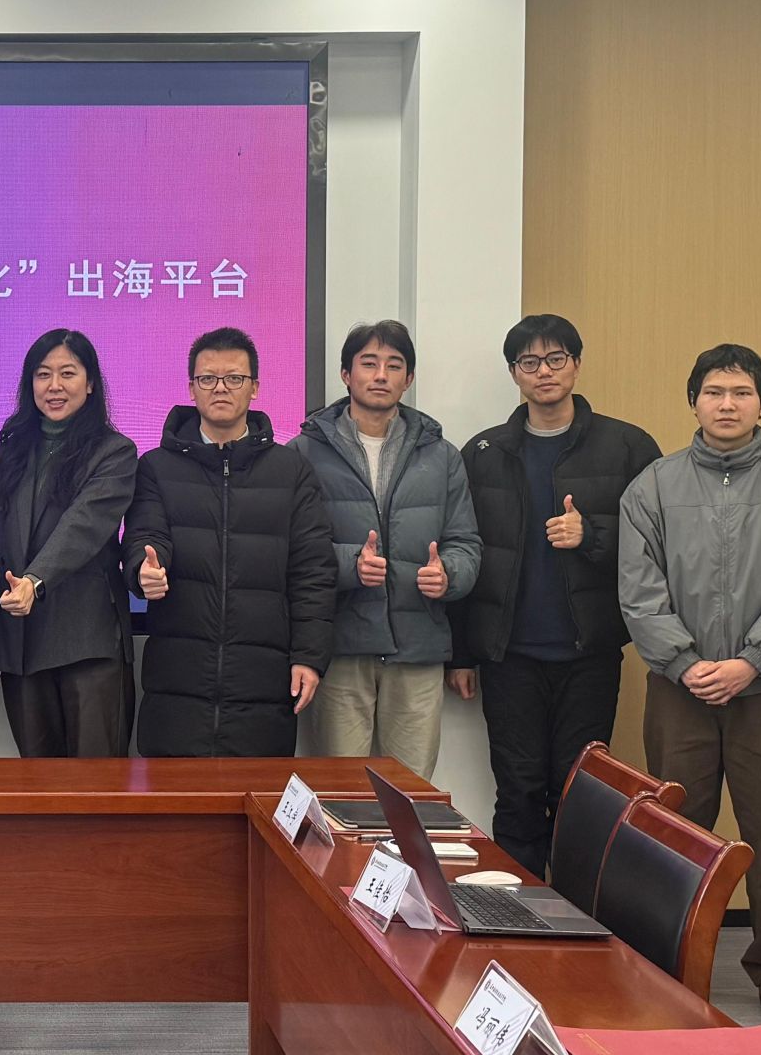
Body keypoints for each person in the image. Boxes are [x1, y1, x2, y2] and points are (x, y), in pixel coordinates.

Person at [620, 343, 761, 1029]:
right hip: (679, 691)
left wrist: (752, 661)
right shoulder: (653, 486)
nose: (727, 404)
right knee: (676, 833)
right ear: (693, 400)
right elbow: (639, 589)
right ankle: (671, 963)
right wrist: (684, 661)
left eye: (742, 392)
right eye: (714, 391)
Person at [451, 314, 662, 878]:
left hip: (589, 653)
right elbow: (464, 550)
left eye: (555, 359)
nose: (543, 371)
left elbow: (660, 543)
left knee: (580, 795)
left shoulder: (627, 446)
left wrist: (591, 534)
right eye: (529, 362)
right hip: (509, 657)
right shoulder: (484, 452)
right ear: (514, 373)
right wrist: (461, 653)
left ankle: (575, 914)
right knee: (517, 791)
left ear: (576, 364)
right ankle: (516, 911)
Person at [124, 328, 336, 757]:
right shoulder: (156, 466)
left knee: (256, 798)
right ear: (191, 388)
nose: (220, 388)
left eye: (234, 378)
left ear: (254, 387)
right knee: (172, 796)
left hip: (263, 683)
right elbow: (145, 535)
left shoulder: (290, 470)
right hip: (178, 682)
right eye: (208, 378)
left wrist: (309, 656)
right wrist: (143, 570)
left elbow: (313, 570)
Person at [289, 319, 479, 780]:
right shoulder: (303, 452)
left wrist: (450, 574)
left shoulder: (442, 455)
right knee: (340, 792)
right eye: (368, 363)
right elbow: (291, 548)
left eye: (394, 366)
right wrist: (349, 564)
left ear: (408, 378)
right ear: (345, 374)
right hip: (340, 647)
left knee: (410, 792)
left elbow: (466, 543)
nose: (380, 375)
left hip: (417, 647)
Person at [0, 329, 139, 758]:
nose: (54, 386)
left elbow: (82, 525)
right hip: (22, 641)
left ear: (90, 383)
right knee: (37, 784)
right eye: (43, 374)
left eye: (67, 373)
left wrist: (34, 580)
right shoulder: (14, 445)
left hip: (87, 640)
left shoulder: (115, 451)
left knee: (95, 784)